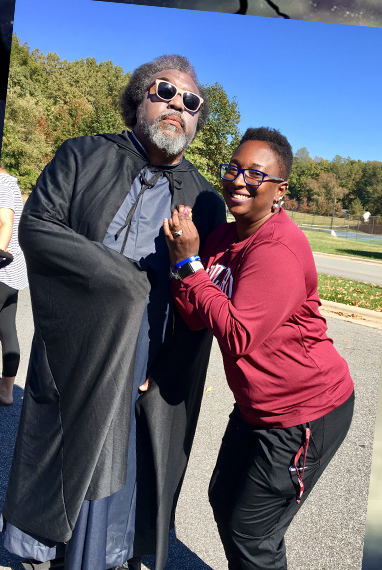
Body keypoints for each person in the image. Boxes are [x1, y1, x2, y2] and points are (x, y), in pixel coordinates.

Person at [2, 55, 226, 570]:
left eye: (191, 103)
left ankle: (100, 557)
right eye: (165, 92)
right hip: (72, 339)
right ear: (139, 98)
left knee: (117, 465)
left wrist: (167, 368)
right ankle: (42, 549)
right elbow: (37, 226)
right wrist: (123, 285)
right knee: (61, 444)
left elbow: (202, 299)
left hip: (144, 354)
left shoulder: (205, 199)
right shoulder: (83, 155)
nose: (178, 106)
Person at [164, 127, 355, 570]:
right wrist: (184, 270)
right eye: (232, 169)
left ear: (280, 191)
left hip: (306, 410)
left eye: (255, 174)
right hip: (257, 406)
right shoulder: (221, 241)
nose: (238, 181)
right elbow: (198, 316)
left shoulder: (278, 248)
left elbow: (238, 335)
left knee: (254, 532)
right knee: (223, 499)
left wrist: (189, 267)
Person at [0, 161, 26, 407]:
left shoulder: (1, 185)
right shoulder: (10, 183)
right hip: (12, 273)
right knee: (7, 329)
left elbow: (5, 222)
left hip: (1, 269)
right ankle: (6, 393)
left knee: (7, 330)